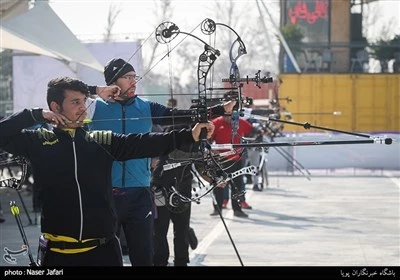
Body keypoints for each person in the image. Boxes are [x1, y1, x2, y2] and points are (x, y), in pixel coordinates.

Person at [0, 76, 214, 266]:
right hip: (57, 253)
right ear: (55, 107)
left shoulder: (99, 139)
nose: (83, 107)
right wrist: (36, 114)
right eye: (75, 102)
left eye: (84, 101)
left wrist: (190, 135)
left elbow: (143, 143)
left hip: (103, 252)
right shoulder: (39, 141)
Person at [86, 58, 236, 266]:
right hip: (104, 193)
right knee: (104, 257)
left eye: (134, 77)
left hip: (139, 191)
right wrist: (94, 90)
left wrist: (220, 110)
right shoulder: (92, 108)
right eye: (128, 77)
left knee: (145, 256)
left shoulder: (146, 107)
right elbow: (61, 97)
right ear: (113, 81)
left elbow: (181, 116)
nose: (133, 82)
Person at [210, 112, 254, 218]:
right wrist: (212, 150)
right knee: (219, 184)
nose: (228, 118)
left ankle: (237, 209)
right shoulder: (215, 123)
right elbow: (208, 140)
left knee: (237, 186)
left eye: (230, 116)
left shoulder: (241, 123)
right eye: (225, 115)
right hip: (220, 160)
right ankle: (217, 209)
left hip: (236, 159)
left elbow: (253, 132)